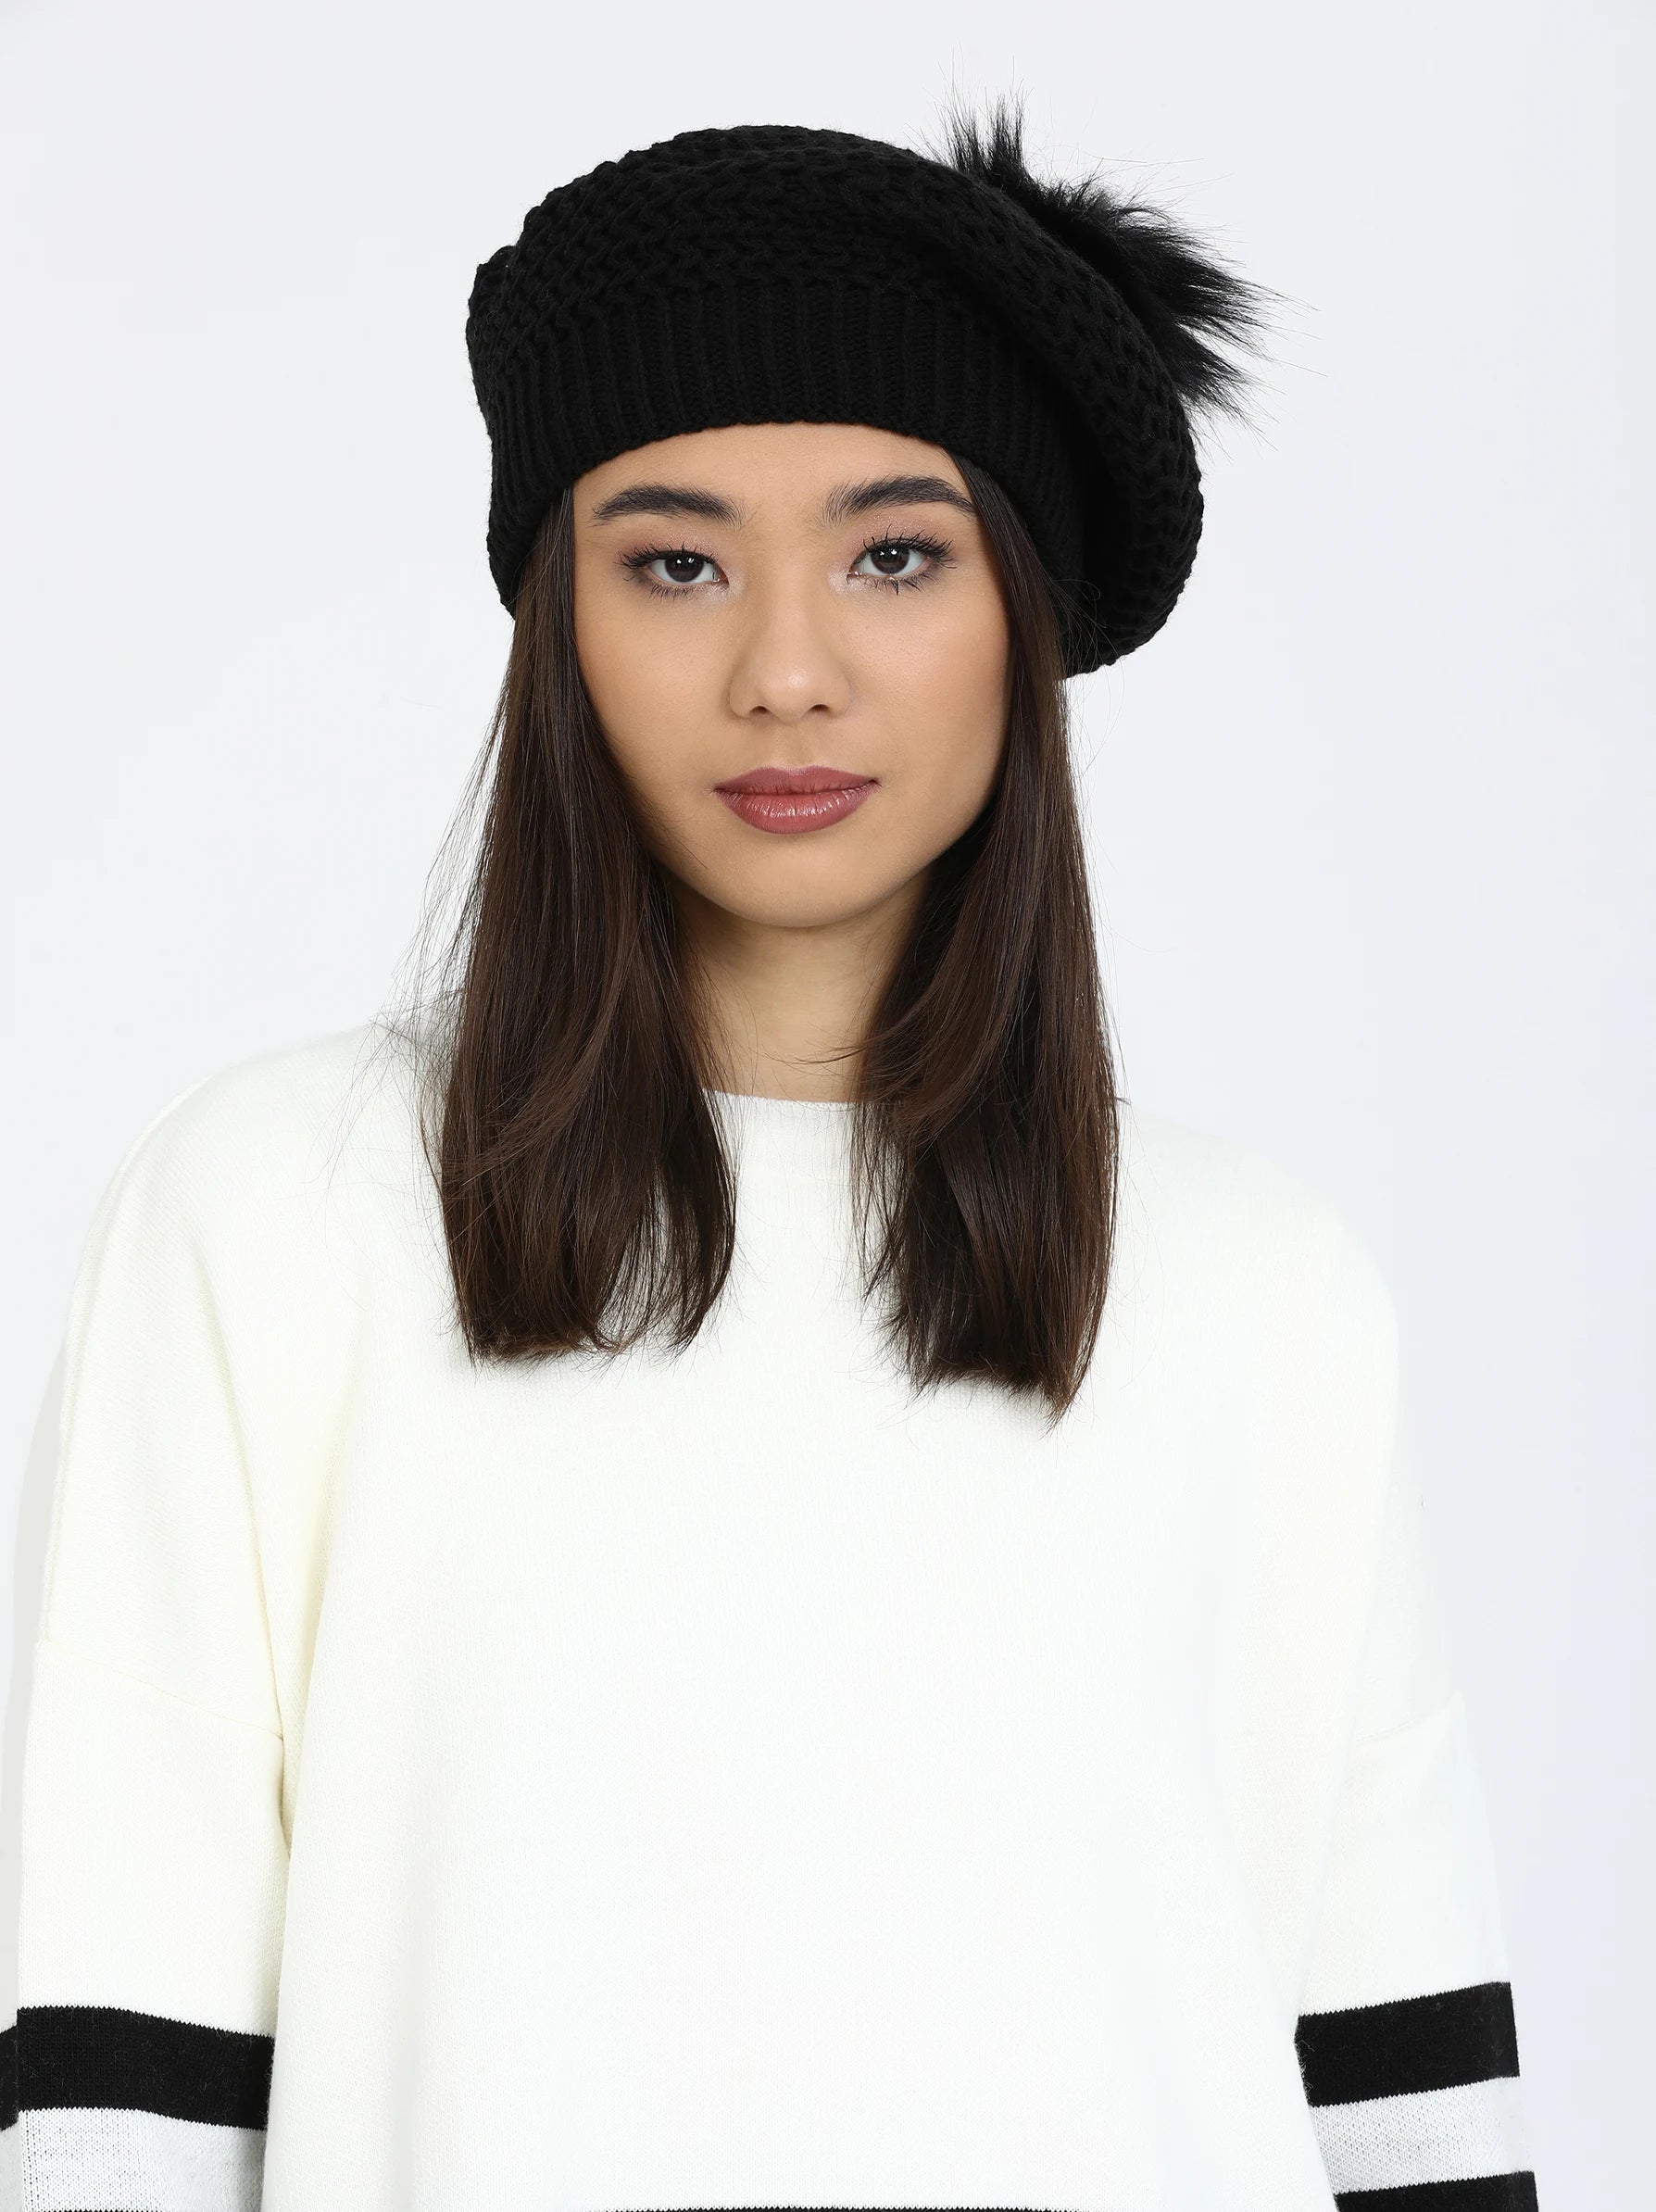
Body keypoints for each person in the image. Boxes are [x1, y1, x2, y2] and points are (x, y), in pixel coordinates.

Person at [0, 94, 1538, 2212]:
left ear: (1022, 612)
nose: (787, 672)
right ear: (558, 622)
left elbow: (1403, 2115)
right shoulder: (277, 1219)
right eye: (676, 561)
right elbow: (125, 2109)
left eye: (895, 555)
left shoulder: (1259, 1290)